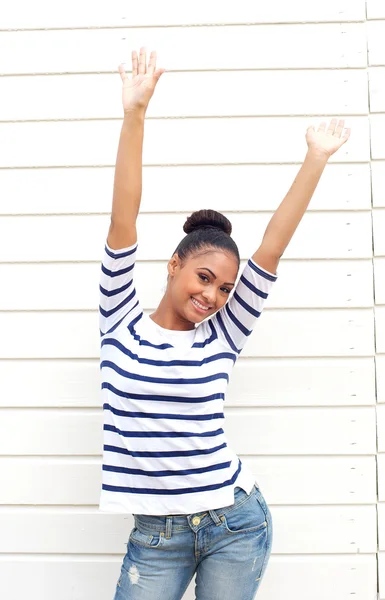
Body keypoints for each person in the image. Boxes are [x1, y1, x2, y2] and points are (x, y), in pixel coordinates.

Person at [99, 48, 350, 600]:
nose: (212, 295)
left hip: (233, 523)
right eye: (204, 277)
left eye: (225, 288)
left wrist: (315, 158)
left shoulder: (223, 334)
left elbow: (273, 247)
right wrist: (135, 114)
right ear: (174, 265)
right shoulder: (119, 320)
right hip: (154, 538)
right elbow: (124, 215)